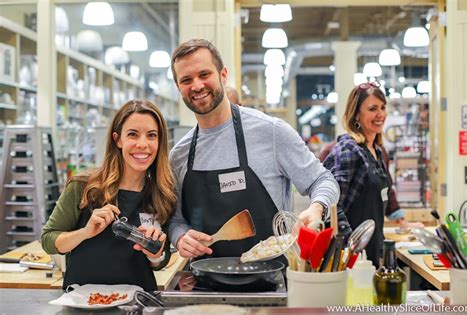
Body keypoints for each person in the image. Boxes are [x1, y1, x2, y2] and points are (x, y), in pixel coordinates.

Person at [168, 38, 340, 260]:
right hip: (205, 284)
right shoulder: (179, 155)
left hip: (272, 283)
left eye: (204, 74)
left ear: (223, 74)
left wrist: (317, 207)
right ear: (178, 87)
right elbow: (175, 220)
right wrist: (180, 237)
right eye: (186, 80)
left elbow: (323, 180)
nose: (197, 86)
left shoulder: (271, 132)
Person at [41, 100, 176, 291]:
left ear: (160, 141)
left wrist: (154, 253)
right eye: (132, 134)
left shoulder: (162, 194)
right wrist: (85, 232)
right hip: (82, 302)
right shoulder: (84, 187)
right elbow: (48, 240)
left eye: (152, 135)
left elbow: (161, 261)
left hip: (137, 303)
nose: (143, 144)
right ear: (117, 139)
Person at [322, 83, 422, 268]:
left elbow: (386, 190)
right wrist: (352, 247)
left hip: (371, 252)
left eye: (383, 107)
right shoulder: (348, 151)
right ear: (356, 115)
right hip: (349, 260)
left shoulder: (378, 151)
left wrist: (403, 222)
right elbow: (331, 206)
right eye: (372, 109)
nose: (380, 114)